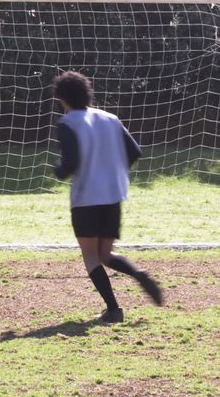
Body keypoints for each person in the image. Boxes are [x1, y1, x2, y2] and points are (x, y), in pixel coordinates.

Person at [51, 71, 163, 322]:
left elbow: (70, 164)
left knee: (91, 257)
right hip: (113, 196)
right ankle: (138, 275)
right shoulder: (110, 118)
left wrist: (57, 170)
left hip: (86, 198)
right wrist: (111, 170)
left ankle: (114, 309)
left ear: (63, 99)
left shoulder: (68, 123)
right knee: (106, 254)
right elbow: (134, 152)